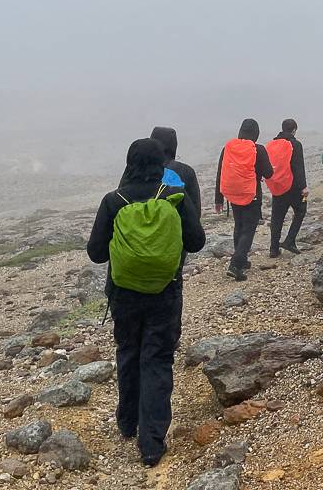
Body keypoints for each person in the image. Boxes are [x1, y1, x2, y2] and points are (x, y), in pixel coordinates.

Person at [87, 138, 204, 467]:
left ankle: (127, 422)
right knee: (157, 358)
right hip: (165, 291)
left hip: (123, 293)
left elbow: (95, 253)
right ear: (162, 163)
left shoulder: (114, 200)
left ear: (129, 163)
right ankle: (151, 443)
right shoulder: (173, 196)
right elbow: (197, 242)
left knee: (128, 352)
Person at [214, 118, 274, 281]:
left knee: (239, 226)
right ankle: (235, 264)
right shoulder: (258, 149)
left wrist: (218, 199)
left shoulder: (228, 147)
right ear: (256, 133)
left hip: (233, 194)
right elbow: (268, 173)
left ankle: (241, 259)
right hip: (251, 195)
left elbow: (221, 171)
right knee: (248, 229)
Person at [118, 126, 201, 214]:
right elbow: (195, 209)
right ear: (174, 146)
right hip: (172, 224)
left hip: (134, 223)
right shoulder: (186, 171)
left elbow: (120, 197)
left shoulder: (135, 169)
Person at [265, 118, 308, 256]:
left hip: (277, 186)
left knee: (277, 217)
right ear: (294, 130)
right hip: (293, 187)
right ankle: (289, 240)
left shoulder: (271, 144)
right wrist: (303, 187)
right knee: (300, 211)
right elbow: (298, 167)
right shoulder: (295, 144)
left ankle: (273, 249)